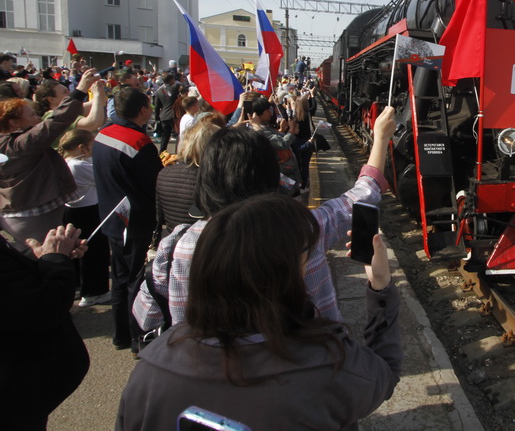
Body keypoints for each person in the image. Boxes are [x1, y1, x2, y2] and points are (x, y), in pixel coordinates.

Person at [117, 194, 401, 431]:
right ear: (279, 277)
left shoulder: (149, 372)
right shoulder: (329, 364)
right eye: (305, 256)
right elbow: (384, 374)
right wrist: (381, 286)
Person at [134, 106, 397, 331]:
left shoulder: (176, 245)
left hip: (201, 369)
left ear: (207, 179)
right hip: (302, 366)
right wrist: (381, 138)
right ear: (269, 175)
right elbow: (364, 192)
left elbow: (146, 317)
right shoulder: (303, 231)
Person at [1, 222, 90, 431]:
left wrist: (45, 259)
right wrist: (56, 261)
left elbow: (12, 286)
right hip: (14, 404)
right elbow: (41, 306)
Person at [94, 86, 162, 355]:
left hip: (111, 217)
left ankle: (120, 335)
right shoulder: (138, 143)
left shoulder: (103, 133)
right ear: (143, 110)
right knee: (135, 279)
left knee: (120, 278)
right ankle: (136, 338)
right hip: (135, 221)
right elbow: (155, 182)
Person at [0, 69, 99, 251]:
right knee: (46, 257)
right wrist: (80, 90)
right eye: (31, 115)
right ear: (13, 123)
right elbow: (55, 122)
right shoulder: (21, 144)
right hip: (33, 216)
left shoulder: (10, 142)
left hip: (18, 213)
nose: (38, 118)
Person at [58, 128, 110, 307]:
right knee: (94, 252)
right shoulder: (78, 166)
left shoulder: (67, 162)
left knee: (79, 252)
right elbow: (103, 175)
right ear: (83, 147)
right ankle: (94, 292)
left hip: (74, 212)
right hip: (87, 212)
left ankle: (79, 285)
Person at [155, 117, 223, 240]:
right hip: (205, 243)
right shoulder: (216, 178)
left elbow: (160, 216)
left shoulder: (164, 173)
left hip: (172, 241)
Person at [153, 73, 180, 153]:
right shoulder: (175, 88)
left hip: (164, 116)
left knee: (165, 136)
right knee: (178, 135)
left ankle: (161, 152)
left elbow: (157, 106)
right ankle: (177, 153)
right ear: (171, 80)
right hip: (174, 115)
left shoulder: (159, 91)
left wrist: (157, 118)